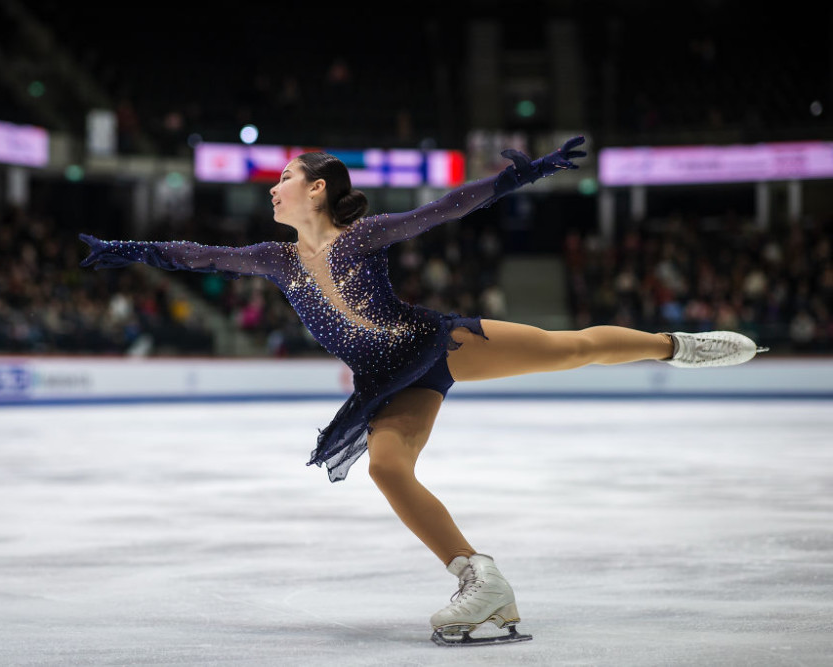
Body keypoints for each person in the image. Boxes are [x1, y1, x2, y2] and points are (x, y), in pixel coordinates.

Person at [78, 136, 766, 646]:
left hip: (437, 344)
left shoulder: (362, 236)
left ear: (317, 188)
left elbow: (443, 210)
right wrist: (132, 250)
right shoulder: (275, 260)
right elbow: (201, 254)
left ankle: (677, 346)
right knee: (386, 466)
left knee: (569, 348)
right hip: (385, 382)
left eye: (284, 177)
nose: (273, 187)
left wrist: (515, 181)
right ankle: (480, 577)